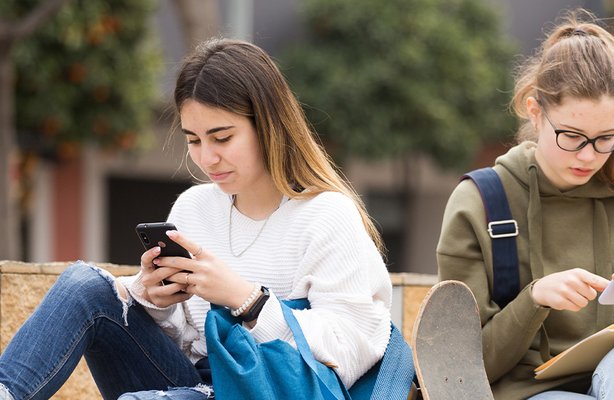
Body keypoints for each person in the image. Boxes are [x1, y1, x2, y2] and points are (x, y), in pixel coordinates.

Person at [0, 39, 393, 400]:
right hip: (195, 385)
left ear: (270, 126)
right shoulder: (194, 207)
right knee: (84, 285)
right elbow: (186, 344)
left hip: (270, 390)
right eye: (193, 140)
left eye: (222, 138)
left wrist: (248, 301)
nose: (206, 158)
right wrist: (156, 300)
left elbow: (354, 348)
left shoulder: (327, 215)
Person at [435, 12, 614, 400]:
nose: (588, 155)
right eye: (572, 135)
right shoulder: (479, 203)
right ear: (535, 111)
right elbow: (461, 368)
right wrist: (534, 299)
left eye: (606, 138)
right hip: (524, 392)